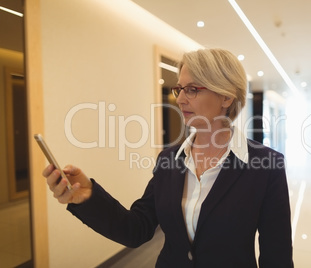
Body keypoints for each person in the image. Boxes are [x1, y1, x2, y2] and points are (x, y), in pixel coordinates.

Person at [43, 48, 294, 267]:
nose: (181, 99)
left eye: (192, 89)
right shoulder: (169, 159)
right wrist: (87, 197)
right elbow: (137, 228)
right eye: (179, 89)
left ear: (226, 97)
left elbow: (277, 258)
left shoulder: (266, 166)